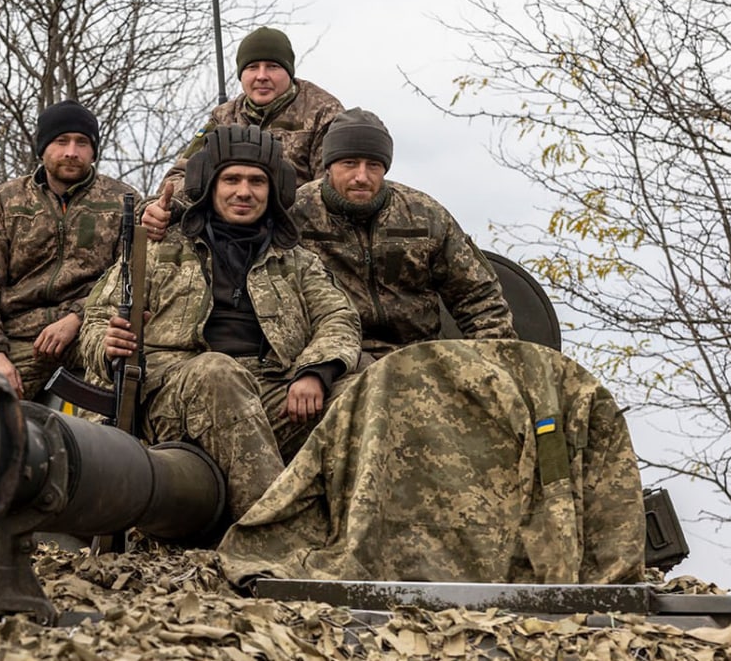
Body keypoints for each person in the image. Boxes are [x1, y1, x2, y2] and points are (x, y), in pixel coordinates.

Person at [80, 125, 361, 520]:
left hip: (268, 391)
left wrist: (315, 371)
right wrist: (106, 343)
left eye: (256, 182)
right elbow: (97, 319)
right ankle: (273, 541)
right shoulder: (161, 249)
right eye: (231, 179)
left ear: (273, 190)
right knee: (217, 372)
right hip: (171, 396)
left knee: (366, 388)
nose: (243, 192)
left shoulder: (294, 260)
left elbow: (338, 316)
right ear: (209, 186)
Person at [290, 108, 516, 366]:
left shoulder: (424, 216)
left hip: (418, 358)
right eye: (349, 163)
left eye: (373, 165)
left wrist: (494, 363)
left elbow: (478, 297)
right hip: (333, 358)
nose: (361, 177)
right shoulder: (296, 215)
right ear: (328, 166)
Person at [0, 101, 135, 400]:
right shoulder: (5, 202)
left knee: (125, 381)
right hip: (20, 339)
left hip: (91, 331)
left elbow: (130, 279)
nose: (71, 152)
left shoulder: (123, 201)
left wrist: (76, 318)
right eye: (61, 141)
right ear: (42, 148)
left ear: (93, 151)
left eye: (82, 143)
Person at [142, 27, 344, 239]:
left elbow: (330, 189)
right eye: (252, 67)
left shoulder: (322, 111)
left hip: (296, 233)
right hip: (226, 232)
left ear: (289, 71)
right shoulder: (224, 116)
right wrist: (165, 208)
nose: (262, 76)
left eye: (272, 67)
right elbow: (180, 176)